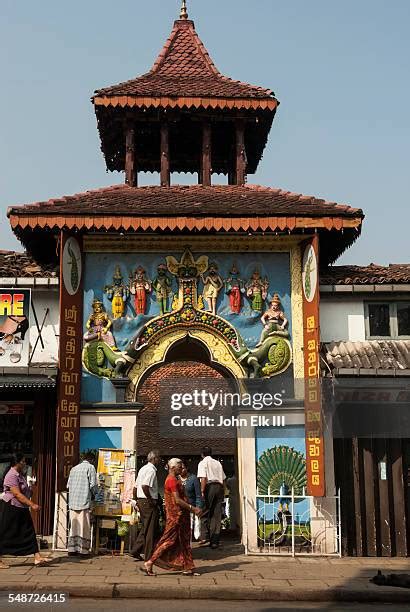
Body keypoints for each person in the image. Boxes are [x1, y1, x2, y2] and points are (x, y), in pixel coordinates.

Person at [143, 458, 201, 576]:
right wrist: (193, 508)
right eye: (179, 466)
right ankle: (150, 561)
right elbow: (177, 500)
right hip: (176, 516)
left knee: (184, 541)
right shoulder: (171, 480)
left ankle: (188, 567)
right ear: (173, 467)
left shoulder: (175, 479)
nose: (182, 468)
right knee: (168, 540)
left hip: (181, 516)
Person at [0, 453, 50, 568]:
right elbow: (17, 494)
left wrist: (30, 488)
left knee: (29, 531)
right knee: (6, 533)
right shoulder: (11, 475)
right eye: (23, 461)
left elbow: (23, 491)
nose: (25, 463)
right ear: (17, 462)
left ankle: (37, 557)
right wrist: (32, 504)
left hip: (21, 508)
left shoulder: (19, 475)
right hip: (12, 507)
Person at [131, 449, 161, 561]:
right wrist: (150, 500)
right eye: (158, 458)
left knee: (145, 527)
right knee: (150, 529)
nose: (160, 460)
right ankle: (148, 556)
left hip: (141, 500)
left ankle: (135, 550)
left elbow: (135, 487)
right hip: (147, 501)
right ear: (154, 459)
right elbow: (144, 486)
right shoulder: (151, 470)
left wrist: (136, 500)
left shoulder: (143, 469)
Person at [67, 453, 98, 557]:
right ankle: (83, 551)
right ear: (92, 460)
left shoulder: (73, 469)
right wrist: (96, 494)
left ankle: (72, 549)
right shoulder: (90, 467)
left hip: (73, 502)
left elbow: (68, 485)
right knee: (84, 527)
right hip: (84, 502)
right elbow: (93, 485)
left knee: (74, 527)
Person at [197, 447, 226, 549]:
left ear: (202, 454)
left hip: (209, 487)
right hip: (219, 486)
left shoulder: (203, 463)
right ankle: (215, 541)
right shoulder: (217, 463)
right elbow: (223, 479)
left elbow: (203, 478)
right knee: (216, 515)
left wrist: (202, 491)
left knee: (204, 512)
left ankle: (204, 536)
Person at [180, 463, 203, 541]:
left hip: (191, 507)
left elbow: (198, 495)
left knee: (189, 529)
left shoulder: (193, 479)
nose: (181, 470)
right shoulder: (176, 479)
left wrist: (198, 507)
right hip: (179, 509)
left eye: (182, 468)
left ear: (187, 468)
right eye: (179, 468)